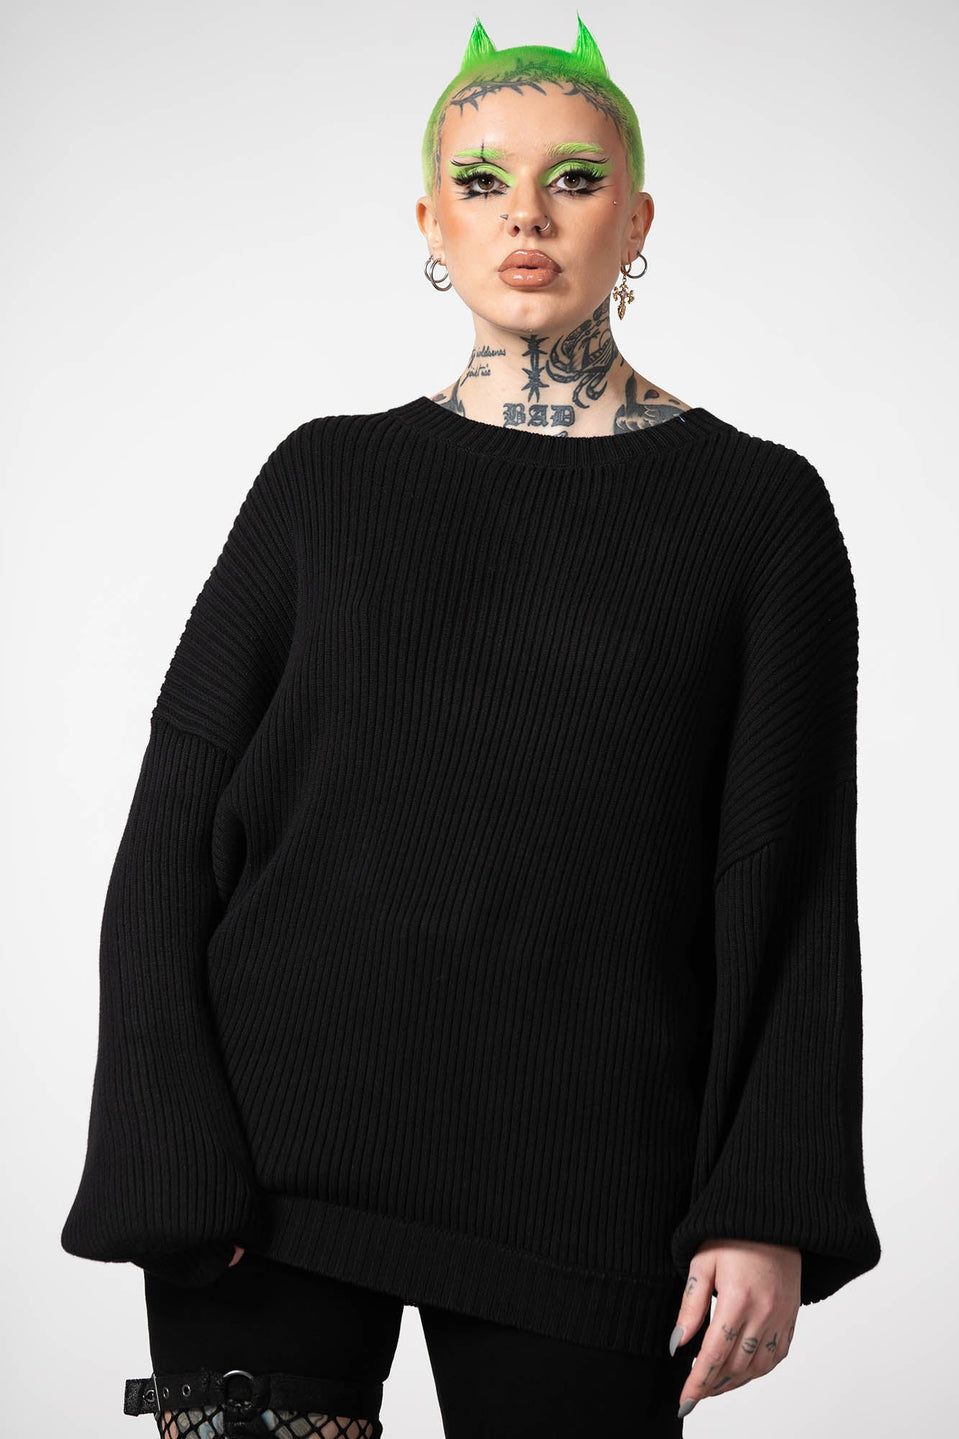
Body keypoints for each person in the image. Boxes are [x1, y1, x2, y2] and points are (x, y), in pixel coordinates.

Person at [61, 13, 882, 1438]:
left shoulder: (759, 514)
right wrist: (163, 1148)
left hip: (592, 1174)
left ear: (638, 221)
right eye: (484, 180)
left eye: (575, 179)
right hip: (269, 1166)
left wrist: (767, 1203)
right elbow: (175, 826)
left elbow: (791, 883)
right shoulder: (325, 481)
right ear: (430, 222)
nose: (527, 216)